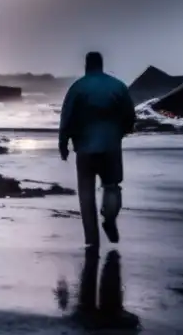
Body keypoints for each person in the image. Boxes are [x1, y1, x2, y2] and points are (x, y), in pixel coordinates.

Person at [59, 51, 137, 247]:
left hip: (84, 149)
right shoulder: (117, 86)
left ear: (86, 65)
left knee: (86, 195)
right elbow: (130, 116)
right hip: (111, 146)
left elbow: (66, 117)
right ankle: (109, 218)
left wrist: (63, 143)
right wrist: (122, 132)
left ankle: (92, 240)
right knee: (112, 187)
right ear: (101, 65)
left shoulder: (77, 87)